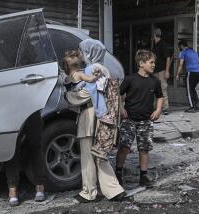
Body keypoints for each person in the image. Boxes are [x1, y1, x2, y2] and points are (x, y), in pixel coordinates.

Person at [66, 39, 126, 203]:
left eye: (82, 50)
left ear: (89, 52)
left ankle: (89, 192)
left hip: (90, 116)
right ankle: (114, 190)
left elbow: (86, 94)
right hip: (104, 117)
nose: (80, 54)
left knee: (88, 155)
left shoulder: (92, 69)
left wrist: (68, 97)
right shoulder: (104, 68)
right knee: (100, 154)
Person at [116, 50, 163, 188]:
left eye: (154, 62)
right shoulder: (130, 79)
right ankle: (118, 174)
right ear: (141, 63)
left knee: (144, 149)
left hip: (146, 121)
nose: (154, 65)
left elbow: (160, 96)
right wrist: (121, 108)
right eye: (151, 62)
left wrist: (158, 109)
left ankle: (143, 176)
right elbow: (118, 94)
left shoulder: (155, 81)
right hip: (129, 119)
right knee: (124, 147)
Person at [5, 111, 46, 206]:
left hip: (31, 109)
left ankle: (40, 186)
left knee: (36, 147)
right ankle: (12, 189)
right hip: (13, 110)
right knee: (13, 150)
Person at [176, 40, 199, 113]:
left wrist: (177, 74)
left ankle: (192, 107)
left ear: (181, 46)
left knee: (189, 90)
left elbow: (181, 64)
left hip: (191, 72)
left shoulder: (183, 52)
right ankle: (197, 105)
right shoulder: (194, 52)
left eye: (179, 47)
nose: (179, 48)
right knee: (192, 88)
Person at [151, 27, 170, 115]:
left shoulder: (163, 44)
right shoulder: (155, 45)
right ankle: (156, 107)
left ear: (154, 35)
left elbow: (168, 59)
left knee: (163, 88)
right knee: (155, 89)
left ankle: (165, 108)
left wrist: (167, 71)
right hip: (154, 71)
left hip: (162, 70)